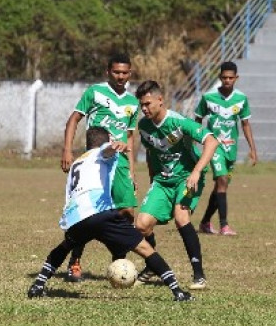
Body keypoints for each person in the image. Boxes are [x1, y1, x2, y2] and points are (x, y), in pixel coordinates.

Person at [28, 127, 194, 302]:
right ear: (106, 139)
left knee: (64, 247)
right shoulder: (101, 152)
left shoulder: (78, 161)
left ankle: (38, 284)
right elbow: (104, 151)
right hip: (99, 213)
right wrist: (113, 146)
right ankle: (178, 292)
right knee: (146, 249)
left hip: (76, 217)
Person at [60, 52, 145, 282]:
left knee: (127, 212)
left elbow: (129, 137)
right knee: (89, 214)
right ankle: (75, 260)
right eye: (116, 72)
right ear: (108, 72)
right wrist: (67, 150)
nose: (120, 76)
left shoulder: (132, 102)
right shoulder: (95, 92)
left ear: (130, 73)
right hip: (97, 162)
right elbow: (73, 119)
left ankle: (119, 263)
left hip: (120, 163)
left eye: (125, 73)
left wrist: (131, 171)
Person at [134, 80, 219, 289]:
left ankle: (199, 275)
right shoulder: (143, 126)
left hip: (186, 178)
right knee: (141, 224)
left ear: (160, 100)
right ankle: (152, 265)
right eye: (141, 105)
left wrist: (196, 171)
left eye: (147, 104)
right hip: (162, 181)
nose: (144, 108)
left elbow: (212, 141)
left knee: (181, 217)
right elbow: (151, 152)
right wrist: (152, 178)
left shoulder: (179, 122)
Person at [194, 61, 258, 236]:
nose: (227, 80)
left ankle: (205, 223)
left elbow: (245, 124)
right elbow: (197, 120)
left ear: (236, 78)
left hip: (231, 148)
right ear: (220, 77)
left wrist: (253, 149)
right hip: (214, 146)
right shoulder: (208, 97)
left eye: (231, 78)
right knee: (222, 180)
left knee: (220, 187)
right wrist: (195, 142)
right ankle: (224, 225)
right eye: (224, 77)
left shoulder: (241, 99)